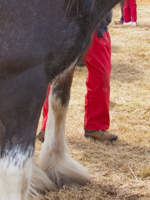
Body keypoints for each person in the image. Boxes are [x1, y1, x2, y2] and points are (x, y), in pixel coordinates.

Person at [38, 12, 116, 142]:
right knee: (56, 78)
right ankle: (48, 127)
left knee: (102, 76)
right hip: (64, 28)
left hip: (96, 27)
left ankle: (96, 127)